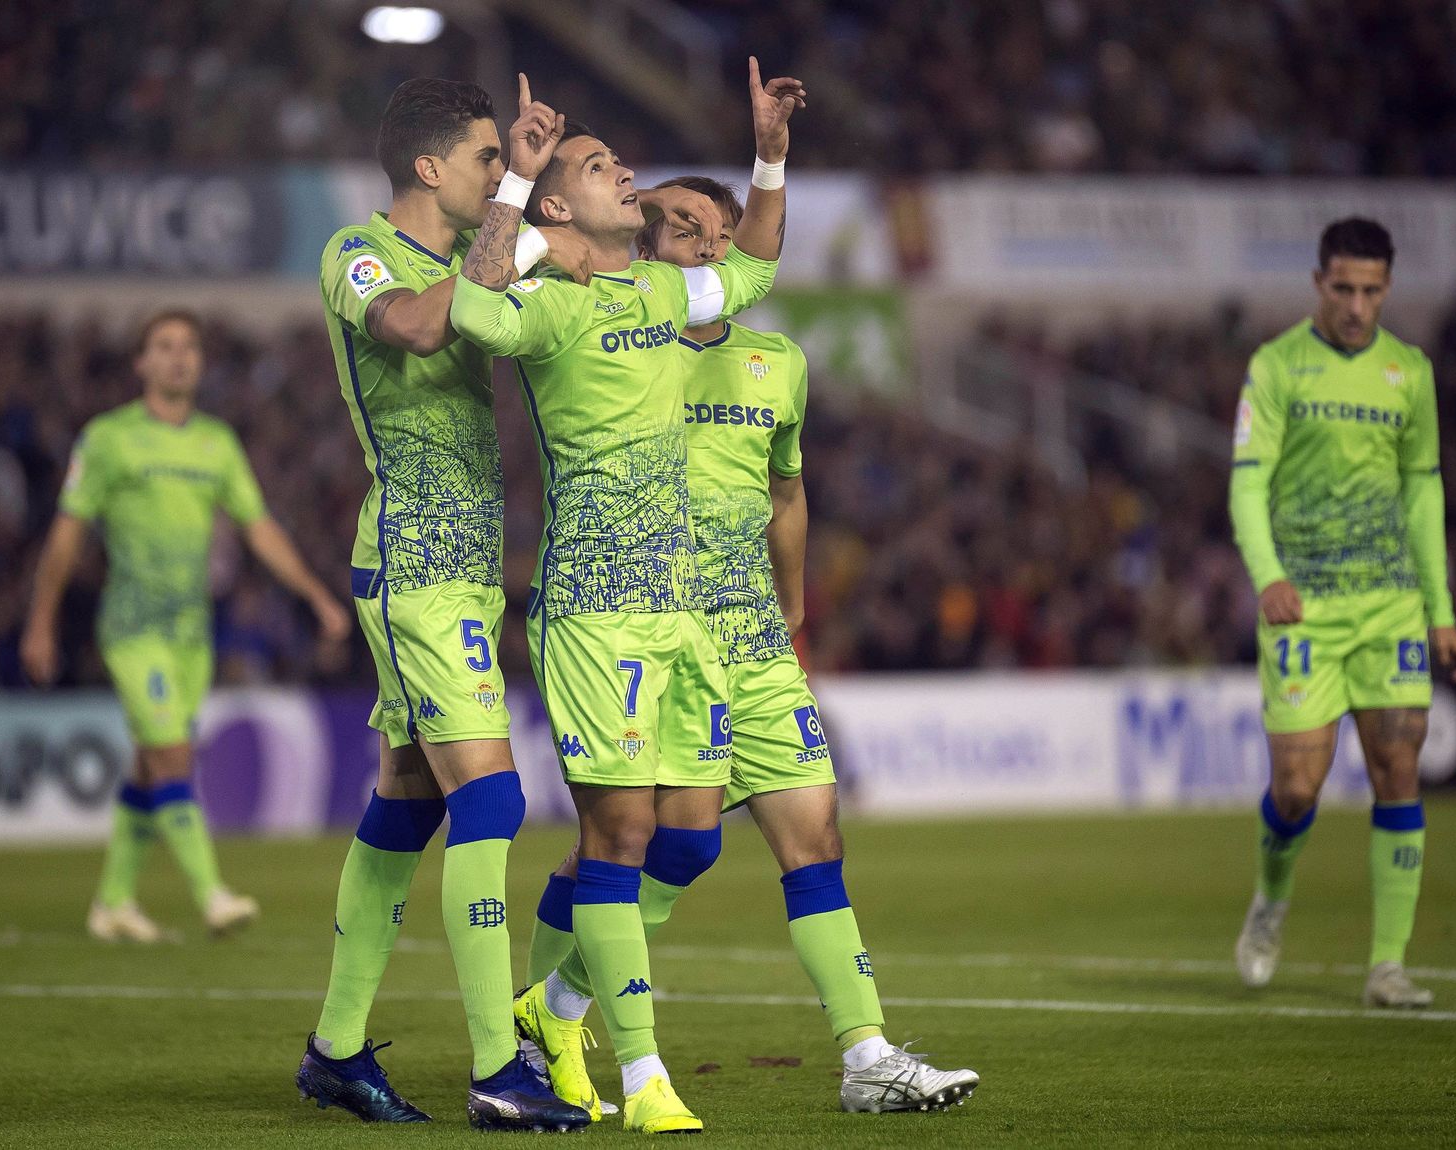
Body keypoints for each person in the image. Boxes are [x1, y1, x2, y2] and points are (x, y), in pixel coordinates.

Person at [520, 174, 981, 1113]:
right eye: (683, 226)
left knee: (815, 835)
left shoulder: (779, 360)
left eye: (720, 232)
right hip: (645, 620)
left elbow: (787, 491)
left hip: (753, 639)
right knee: (646, 848)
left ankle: (866, 1057)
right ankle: (550, 1015)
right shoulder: (616, 341)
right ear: (647, 238)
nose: (705, 244)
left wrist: (792, 602)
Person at [448, 61, 799, 1134]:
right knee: (622, 830)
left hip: (682, 609)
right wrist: (514, 182)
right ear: (560, 201)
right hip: (595, 608)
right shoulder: (547, 308)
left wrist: (769, 152)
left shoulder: (655, 288)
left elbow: (757, 270)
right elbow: (470, 304)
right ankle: (642, 1073)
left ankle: (553, 1006)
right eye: (602, 167)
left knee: (692, 837)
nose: (626, 173)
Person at [293, 76, 595, 1132]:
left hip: (466, 563)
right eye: (481, 159)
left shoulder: (480, 254)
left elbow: (545, 274)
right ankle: (496, 1066)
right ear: (429, 168)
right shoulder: (353, 250)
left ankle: (334, 1051)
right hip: (413, 561)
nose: (493, 176)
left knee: (409, 803)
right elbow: (422, 328)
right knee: (494, 800)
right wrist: (515, 204)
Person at [21, 310, 350, 943]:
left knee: (154, 762)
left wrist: (315, 594)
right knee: (173, 754)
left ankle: (113, 901)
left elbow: (260, 529)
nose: (179, 357)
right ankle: (212, 894)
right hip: (131, 629)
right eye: (164, 346)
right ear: (141, 362)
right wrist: (41, 620)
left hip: (192, 634)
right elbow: (67, 535)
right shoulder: (108, 439)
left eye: (189, 348)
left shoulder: (217, 444)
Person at [1229, 217, 1456, 1008]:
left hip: (1391, 606)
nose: (1359, 306)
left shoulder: (1411, 372)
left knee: (1398, 770)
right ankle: (1270, 901)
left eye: (1372, 290)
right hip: (1304, 607)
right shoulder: (1277, 366)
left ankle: (1388, 965)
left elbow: (1423, 489)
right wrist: (1267, 574)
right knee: (1297, 789)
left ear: (1388, 289)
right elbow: (1246, 481)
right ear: (1318, 285)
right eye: (1344, 288)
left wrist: (1440, 612)